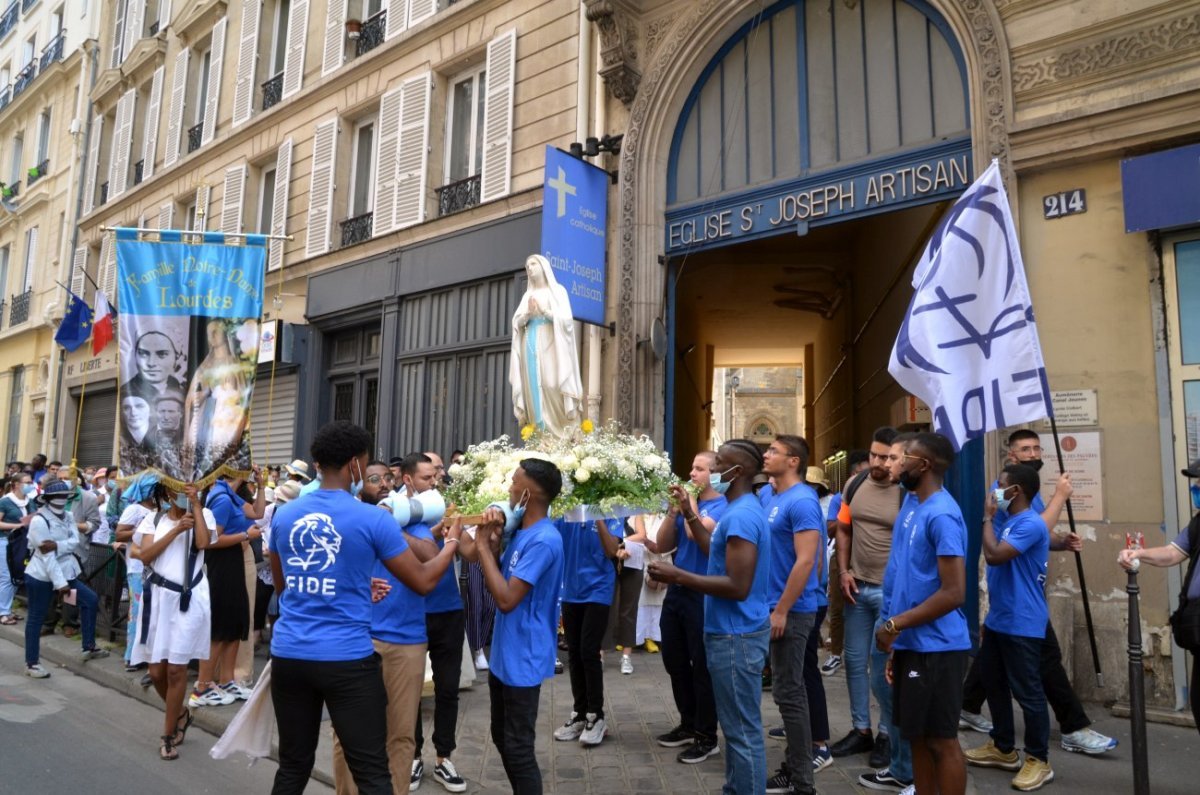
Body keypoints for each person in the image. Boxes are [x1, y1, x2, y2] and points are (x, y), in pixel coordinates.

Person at [269, 421, 461, 795]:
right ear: (356, 465)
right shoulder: (372, 518)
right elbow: (421, 580)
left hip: (290, 655)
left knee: (293, 767)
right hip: (347, 660)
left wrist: (350, 587)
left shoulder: (285, 515)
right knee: (373, 770)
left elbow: (285, 586)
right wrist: (451, 545)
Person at [958, 429, 1116, 755]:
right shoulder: (1002, 493)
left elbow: (1036, 534)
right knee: (1034, 668)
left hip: (1020, 597)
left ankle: (971, 708)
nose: (1033, 453)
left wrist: (1060, 542)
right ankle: (1062, 734)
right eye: (1025, 449)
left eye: (1036, 448)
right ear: (1012, 456)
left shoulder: (1032, 496)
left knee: (999, 663)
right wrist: (1060, 498)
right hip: (1014, 597)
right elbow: (1028, 530)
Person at [649, 439, 772, 795]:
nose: (712, 471)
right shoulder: (737, 510)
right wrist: (687, 511)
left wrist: (679, 576)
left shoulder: (743, 515)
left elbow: (737, 585)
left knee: (741, 733)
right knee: (736, 729)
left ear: (737, 472)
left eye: (719, 464)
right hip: (727, 630)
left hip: (736, 635)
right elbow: (708, 547)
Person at [330, 455, 447, 795]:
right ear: (359, 487)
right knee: (348, 732)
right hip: (357, 639)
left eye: (386, 479)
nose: (382, 485)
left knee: (400, 734)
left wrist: (391, 526)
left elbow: (428, 556)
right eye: (373, 479)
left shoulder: (412, 521)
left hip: (406, 642)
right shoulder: (350, 523)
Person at [874, 432, 970, 795]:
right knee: (916, 737)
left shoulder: (943, 514)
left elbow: (954, 592)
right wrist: (897, 638)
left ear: (923, 465)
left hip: (939, 648)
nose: (893, 463)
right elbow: (901, 577)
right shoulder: (912, 506)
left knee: (941, 741)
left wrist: (895, 624)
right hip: (911, 643)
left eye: (903, 458)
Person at [466, 458, 566, 794]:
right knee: (501, 735)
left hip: (525, 653)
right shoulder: (521, 530)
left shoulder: (544, 539)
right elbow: (502, 576)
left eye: (513, 481)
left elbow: (508, 599)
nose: (508, 487)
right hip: (505, 652)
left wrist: (482, 547)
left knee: (519, 746)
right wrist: (491, 548)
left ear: (528, 492)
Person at [964, 464, 1054, 791]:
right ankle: (1003, 747)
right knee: (992, 681)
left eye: (1001, 486)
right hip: (1001, 619)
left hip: (1023, 622)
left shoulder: (1029, 523)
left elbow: (995, 555)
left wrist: (988, 516)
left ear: (1015, 492)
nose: (995, 491)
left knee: (1028, 692)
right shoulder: (1014, 521)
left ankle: (1038, 759)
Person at [646, 451, 727, 764]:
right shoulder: (683, 506)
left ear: (715, 474)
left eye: (699, 469)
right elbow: (663, 545)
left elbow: (697, 534)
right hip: (678, 589)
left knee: (702, 666)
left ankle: (707, 736)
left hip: (702, 591)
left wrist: (688, 505)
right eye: (691, 467)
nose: (691, 474)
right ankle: (687, 722)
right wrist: (671, 512)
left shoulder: (720, 506)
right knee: (674, 660)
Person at [833, 426, 903, 774]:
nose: (880, 462)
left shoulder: (908, 492)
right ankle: (861, 729)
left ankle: (888, 734)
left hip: (890, 595)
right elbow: (844, 528)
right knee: (853, 660)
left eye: (888, 457)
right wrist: (844, 571)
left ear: (900, 458)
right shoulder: (855, 485)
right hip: (856, 588)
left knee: (883, 669)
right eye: (876, 455)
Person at [757, 435, 824, 795]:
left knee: (790, 692)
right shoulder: (772, 495)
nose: (765, 455)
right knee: (784, 691)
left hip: (793, 611)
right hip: (769, 606)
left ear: (793, 460)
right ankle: (794, 769)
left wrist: (782, 609)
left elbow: (807, 560)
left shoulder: (803, 501)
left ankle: (802, 781)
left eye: (773, 452)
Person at [131, 481, 216, 760]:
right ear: (168, 492)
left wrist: (196, 506)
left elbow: (204, 543)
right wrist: (178, 529)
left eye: (191, 489)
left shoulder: (204, 515)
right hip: (157, 599)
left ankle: (167, 736)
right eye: (178, 490)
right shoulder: (152, 518)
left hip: (188, 599)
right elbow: (144, 556)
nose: (182, 494)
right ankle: (180, 713)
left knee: (176, 670)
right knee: (156, 672)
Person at [1118, 457, 1200, 736]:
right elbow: (1173, 553)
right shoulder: (1198, 523)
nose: (1197, 489)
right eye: (1196, 484)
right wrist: (1138, 553)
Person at [406, 453, 470, 793]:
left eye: (436, 476)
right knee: (412, 690)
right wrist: (442, 535)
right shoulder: (395, 513)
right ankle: (412, 755)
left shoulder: (447, 511)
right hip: (414, 612)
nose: (434, 482)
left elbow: (468, 554)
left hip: (449, 610)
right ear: (408, 481)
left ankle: (444, 757)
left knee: (448, 688)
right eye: (426, 478)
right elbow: (428, 556)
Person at [191, 469, 266, 707]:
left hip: (233, 563)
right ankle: (202, 687)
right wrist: (245, 534)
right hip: (221, 567)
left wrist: (262, 486)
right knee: (221, 627)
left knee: (236, 623)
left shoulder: (231, 496)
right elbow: (211, 541)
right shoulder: (221, 499)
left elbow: (258, 512)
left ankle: (226, 681)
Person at [23, 478, 109, 678]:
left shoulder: (69, 515)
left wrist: (58, 545)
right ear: (48, 498)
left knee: (90, 600)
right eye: (57, 496)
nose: (61, 499)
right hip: (42, 576)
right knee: (36, 618)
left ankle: (89, 646)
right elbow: (46, 556)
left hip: (66, 572)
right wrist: (60, 584)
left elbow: (75, 541)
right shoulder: (38, 520)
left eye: (64, 495)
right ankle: (31, 663)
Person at [552, 515, 622, 746]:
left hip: (598, 589)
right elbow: (552, 540)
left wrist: (597, 517)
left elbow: (612, 550)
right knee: (574, 651)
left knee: (588, 651)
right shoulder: (565, 513)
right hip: (572, 589)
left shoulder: (609, 510)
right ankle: (579, 714)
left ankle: (596, 715)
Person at [509, 254, 584, 435]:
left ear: (543, 267)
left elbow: (566, 321)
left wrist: (545, 311)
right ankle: (541, 435)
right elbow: (516, 323)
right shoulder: (528, 295)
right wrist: (527, 314)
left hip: (552, 345)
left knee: (551, 384)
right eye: (527, 266)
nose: (530, 268)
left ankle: (562, 433)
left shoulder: (558, 291)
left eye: (534, 264)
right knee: (533, 386)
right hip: (531, 343)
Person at [823, 449, 868, 677]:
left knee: (868, 605)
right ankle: (836, 654)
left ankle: (868, 656)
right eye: (860, 474)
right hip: (841, 556)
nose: (865, 479)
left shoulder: (880, 498)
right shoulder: (841, 498)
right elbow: (831, 527)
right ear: (851, 476)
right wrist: (848, 510)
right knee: (838, 606)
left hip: (867, 558)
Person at [114, 475, 160, 670]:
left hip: (155, 567)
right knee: (137, 611)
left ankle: (147, 654)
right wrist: (142, 531)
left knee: (151, 612)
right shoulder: (134, 509)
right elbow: (119, 533)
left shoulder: (160, 511)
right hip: (137, 568)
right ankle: (131, 655)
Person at [611, 514, 648, 674]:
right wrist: (616, 548)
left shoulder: (635, 511)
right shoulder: (608, 510)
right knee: (606, 608)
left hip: (633, 563)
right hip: (610, 562)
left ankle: (626, 656)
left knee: (629, 610)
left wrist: (622, 544)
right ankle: (600, 651)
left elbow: (642, 535)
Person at [0, 472, 34, 625]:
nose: (30, 484)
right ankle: (3, 612)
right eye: (26, 482)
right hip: (6, 541)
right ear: (16, 485)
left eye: (30, 481)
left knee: (16, 576)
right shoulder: (5, 502)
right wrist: (18, 525)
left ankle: (7, 608)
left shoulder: (30, 501)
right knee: (7, 576)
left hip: (23, 543)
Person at [123, 330, 186, 402]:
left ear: (176, 357)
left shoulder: (181, 388)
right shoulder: (126, 394)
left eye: (162, 354)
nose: (151, 363)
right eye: (143, 354)